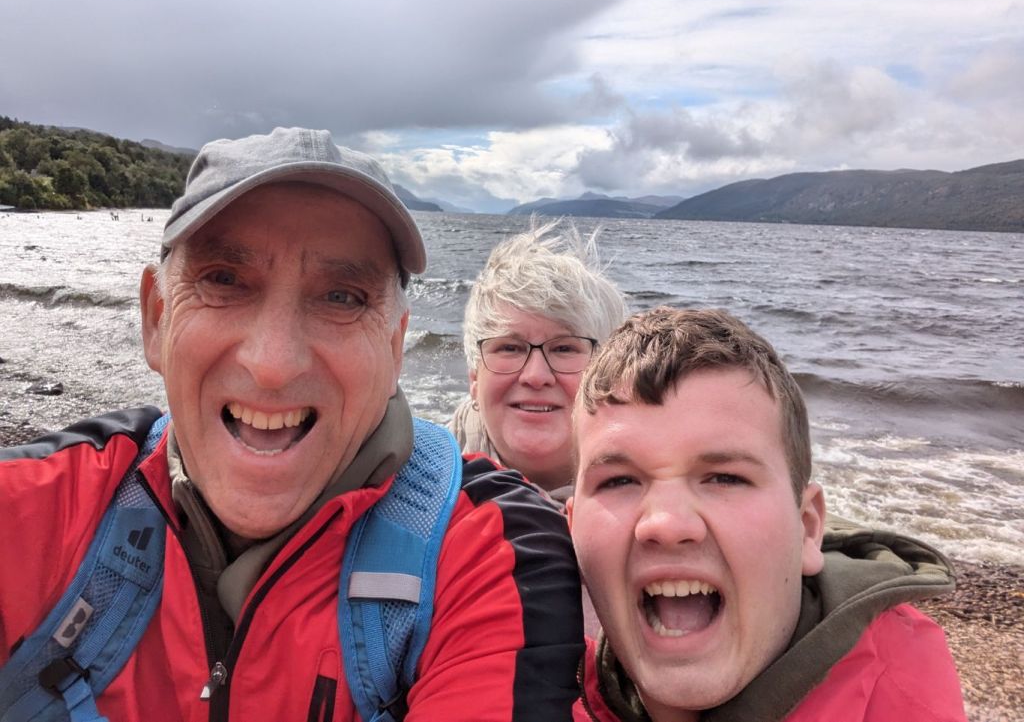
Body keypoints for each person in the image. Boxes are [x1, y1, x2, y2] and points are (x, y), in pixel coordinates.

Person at [0, 127, 583, 721]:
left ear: (395, 347)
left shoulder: (496, 552)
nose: (273, 365)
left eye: (342, 297)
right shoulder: (44, 504)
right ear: (156, 319)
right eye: (224, 280)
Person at [568, 306, 966, 722]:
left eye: (725, 478)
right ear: (572, 530)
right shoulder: (546, 691)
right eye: (618, 481)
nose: (667, 524)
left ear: (807, 528)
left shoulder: (901, 703)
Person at [450, 219, 628, 496]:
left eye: (564, 349)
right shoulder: (407, 486)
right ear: (474, 378)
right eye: (510, 348)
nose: (535, 376)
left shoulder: (661, 503)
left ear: (610, 375)